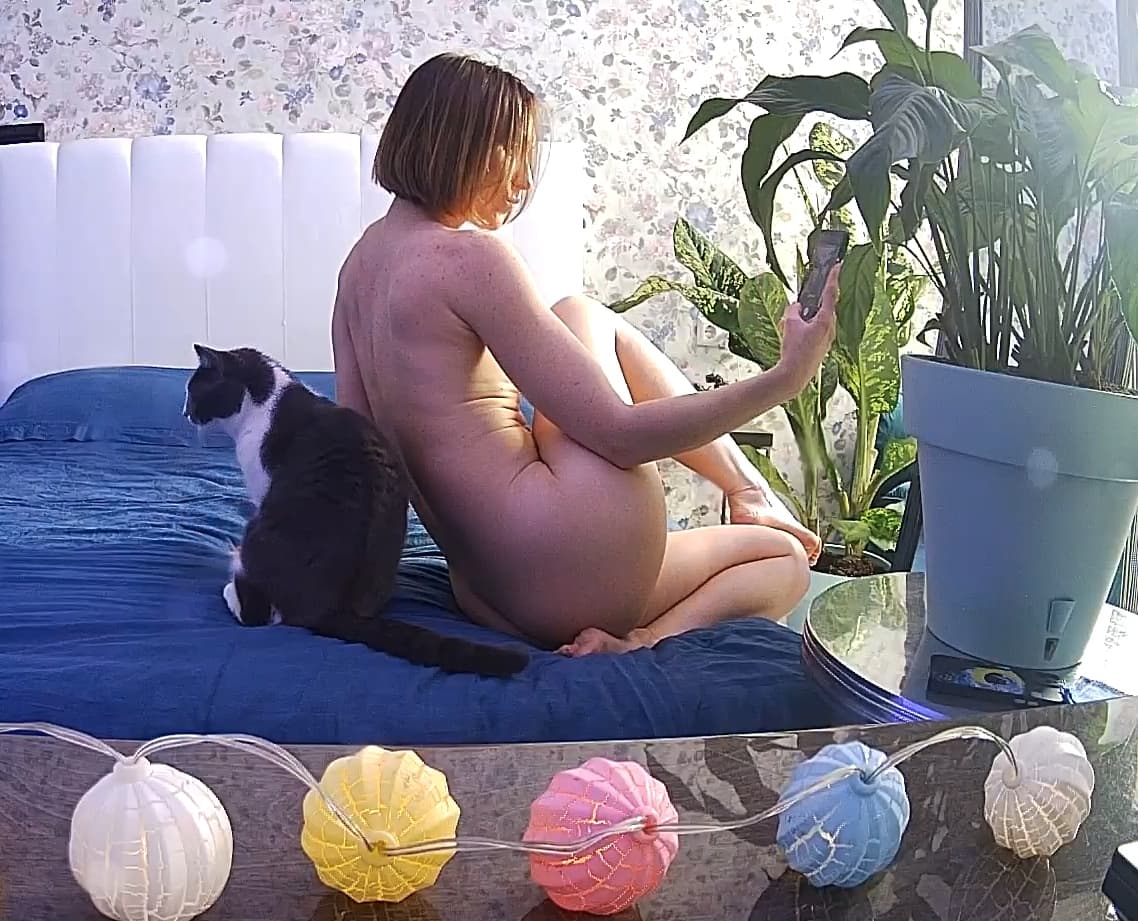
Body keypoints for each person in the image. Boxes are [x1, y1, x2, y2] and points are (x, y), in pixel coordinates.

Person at [331, 52, 838, 657]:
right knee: (581, 311)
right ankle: (742, 492)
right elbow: (620, 436)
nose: (522, 183)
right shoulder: (469, 258)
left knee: (783, 558)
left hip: (490, 596)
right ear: (460, 146)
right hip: (574, 557)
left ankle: (649, 628)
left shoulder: (356, 271)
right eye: (512, 155)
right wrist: (785, 378)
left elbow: (362, 459)